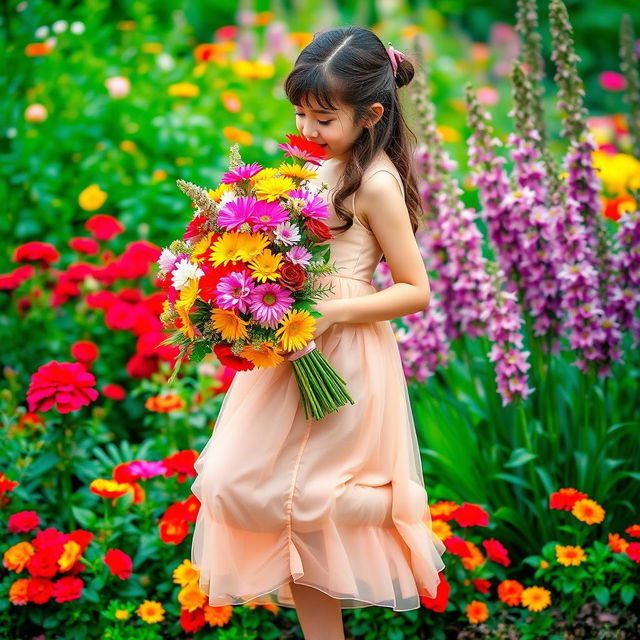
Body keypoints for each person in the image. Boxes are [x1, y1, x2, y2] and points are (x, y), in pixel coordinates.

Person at [189, 25, 446, 640]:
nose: (307, 131)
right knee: (240, 484)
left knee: (308, 499)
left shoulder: (376, 182)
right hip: (295, 346)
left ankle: (392, 507)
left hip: (346, 352)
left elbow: (416, 290)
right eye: (301, 114)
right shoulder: (325, 163)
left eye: (323, 119)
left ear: (371, 113)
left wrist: (330, 311)